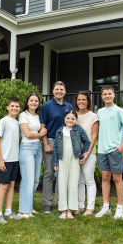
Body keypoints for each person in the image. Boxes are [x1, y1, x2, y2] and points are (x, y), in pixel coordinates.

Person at [95, 85, 123, 220]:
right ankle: (106, 206)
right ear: (101, 96)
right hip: (102, 150)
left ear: (114, 95)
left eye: (109, 94)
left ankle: (120, 208)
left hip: (115, 150)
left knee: (117, 179)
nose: (107, 96)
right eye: (105, 94)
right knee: (105, 178)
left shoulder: (118, 111)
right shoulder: (99, 112)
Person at [39, 81, 74, 214]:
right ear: (53, 91)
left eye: (61, 89)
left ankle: (60, 201)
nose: (59, 91)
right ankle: (47, 203)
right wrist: (46, 143)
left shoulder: (69, 106)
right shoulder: (47, 106)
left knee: (62, 173)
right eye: (57, 89)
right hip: (51, 141)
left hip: (66, 142)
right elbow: (43, 127)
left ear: (65, 91)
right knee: (48, 172)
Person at [53, 110, 90, 219]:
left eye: (73, 119)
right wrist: (55, 162)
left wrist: (83, 155)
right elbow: (55, 148)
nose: (70, 120)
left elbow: (87, 142)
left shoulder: (78, 129)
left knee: (73, 184)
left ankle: (70, 210)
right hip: (62, 159)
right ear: (64, 119)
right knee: (62, 184)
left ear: (76, 120)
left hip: (74, 159)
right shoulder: (59, 131)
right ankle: (63, 210)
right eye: (68, 118)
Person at [0, 97, 24, 224]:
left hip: (15, 159)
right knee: (3, 185)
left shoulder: (17, 123)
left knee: (11, 185)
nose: (14, 108)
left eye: (17, 106)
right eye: (12, 106)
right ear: (7, 107)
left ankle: (8, 211)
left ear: (19, 108)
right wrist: (0, 159)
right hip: (5, 160)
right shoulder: (3, 121)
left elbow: (19, 139)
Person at [18, 93, 48, 218]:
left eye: (36, 101)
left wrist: (40, 137)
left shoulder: (37, 116)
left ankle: (28, 206)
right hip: (26, 148)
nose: (34, 102)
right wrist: (41, 134)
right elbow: (28, 134)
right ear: (27, 102)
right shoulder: (23, 115)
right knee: (27, 179)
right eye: (31, 100)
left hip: (37, 147)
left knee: (35, 179)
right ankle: (23, 211)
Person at [74, 91, 99, 216]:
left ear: (88, 101)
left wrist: (88, 152)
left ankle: (90, 207)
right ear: (76, 101)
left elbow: (94, 136)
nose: (81, 102)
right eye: (79, 99)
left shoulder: (93, 116)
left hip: (89, 153)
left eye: (84, 99)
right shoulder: (74, 116)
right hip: (75, 153)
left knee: (89, 179)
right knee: (79, 181)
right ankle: (79, 206)